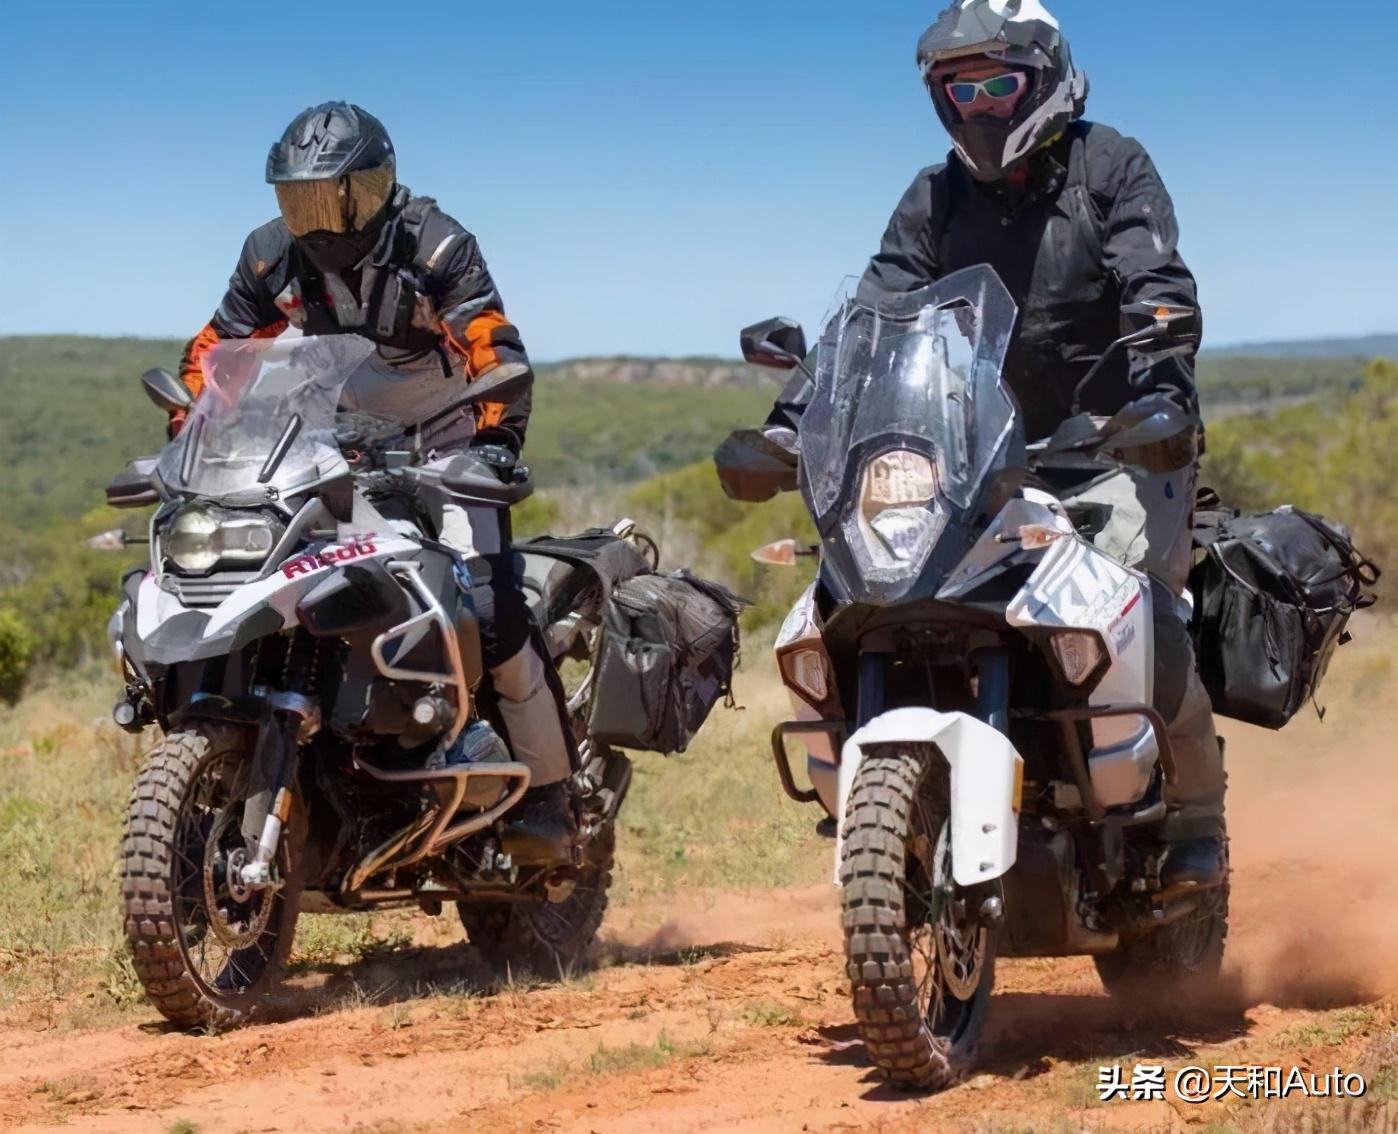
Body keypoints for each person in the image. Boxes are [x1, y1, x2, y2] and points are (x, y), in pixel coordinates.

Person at [721, 0, 1226, 892]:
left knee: (1146, 609)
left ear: (1046, 80)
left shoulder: (1112, 166)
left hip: (1116, 445)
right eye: (963, 88)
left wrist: (1159, 391)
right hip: (980, 453)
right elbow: (865, 319)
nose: (983, 106)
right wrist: (787, 426)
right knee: (889, 591)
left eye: (1001, 85)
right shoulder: (933, 197)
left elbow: (1157, 284)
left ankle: (1190, 826)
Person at [174, 101, 573, 855]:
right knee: (265, 580)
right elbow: (215, 355)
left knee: (489, 606)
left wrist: (495, 443)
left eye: (329, 198)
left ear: (375, 186)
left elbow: (492, 343)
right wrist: (193, 438)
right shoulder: (269, 256)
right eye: (296, 199)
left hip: (446, 434)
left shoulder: (437, 244)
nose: (312, 218)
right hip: (331, 441)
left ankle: (548, 795)